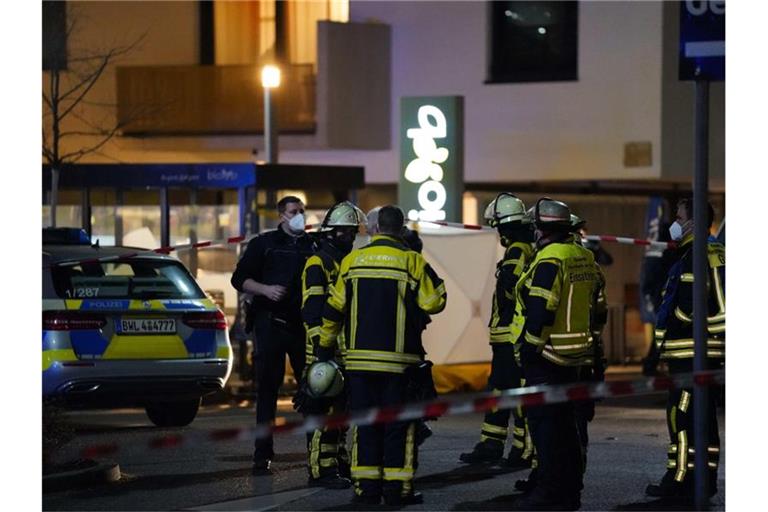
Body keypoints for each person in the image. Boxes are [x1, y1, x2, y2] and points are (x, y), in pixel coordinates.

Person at [316, 205, 447, 506]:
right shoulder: (412, 261)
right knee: (399, 428)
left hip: (360, 364)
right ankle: (397, 491)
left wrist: (324, 348)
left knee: (366, 426)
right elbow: (434, 302)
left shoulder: (352, 261)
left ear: (374, 229)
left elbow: (333, 309)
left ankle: (366, 491)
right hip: (400, 365)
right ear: (400, 230)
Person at [512, 198, 603, 511]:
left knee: (547, 432)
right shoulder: (584, 256)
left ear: (542, 228)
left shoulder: (551, 258)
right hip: (576, 357)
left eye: (535, 226)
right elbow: (598, 309)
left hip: (547, 358)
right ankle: (570, 492)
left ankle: (549, 493)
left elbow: (541, 309)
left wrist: (529, 350)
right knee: (568, 432)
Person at [231, 195, 318, 473]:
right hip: (270, 324)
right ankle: (262, 454)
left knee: (313, 390)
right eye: (294, 211)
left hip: (301, 326)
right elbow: (239, 279)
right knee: (268, 390)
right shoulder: (264, 244)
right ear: (281, 215)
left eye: (303, 211)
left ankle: (315, 452)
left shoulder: (311, 245)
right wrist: (265, 290)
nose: (300, 216)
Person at [645, 198, 725, 499]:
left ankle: (679, 482)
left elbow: (688, 306)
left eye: (678, 217)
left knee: (682, 419)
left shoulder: (694, 255)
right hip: (710, 352)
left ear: (691, 222)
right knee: (704, 422)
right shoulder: (717, 250)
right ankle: (705, 481)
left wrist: (666, 334)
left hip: (690, 352)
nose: (673, 224)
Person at [459, 193, 535, 469]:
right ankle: (491, 444)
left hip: (510, 336)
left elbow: (511, 287)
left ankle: (518, 450)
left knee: (512, 393)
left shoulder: (517, 250)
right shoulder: (527, 246)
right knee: (500, 391)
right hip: (509, 335)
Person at [296, 201, 366, 489]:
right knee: (321, 415)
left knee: (339, 414)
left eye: (352, 233)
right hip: (323, 352)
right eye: (344, 233)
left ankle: (337, 463)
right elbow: (312, 311)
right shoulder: (318, 264)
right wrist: (322, 351)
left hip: (343, 352)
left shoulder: (342, 263)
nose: (349, 238)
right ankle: (320, 471)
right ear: (329, 233)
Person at [570, 214, 608, 470]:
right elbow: (600, 313)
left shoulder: (556, 261)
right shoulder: (591, 265)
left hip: (561, 358)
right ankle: (577, 468)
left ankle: (560, 477)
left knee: (563, 419)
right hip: (588, 351)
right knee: (580, 417)